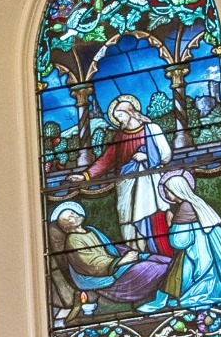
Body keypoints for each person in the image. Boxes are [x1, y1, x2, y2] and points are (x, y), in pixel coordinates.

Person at [74, 95, 173, 254]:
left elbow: (166, 154)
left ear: (130, 112)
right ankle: (138, 255)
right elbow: (107, 160)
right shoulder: (119, 136)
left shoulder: (152, 129)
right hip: (126, 185)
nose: (118, 120)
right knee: (128, 223)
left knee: (152, 217)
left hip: (149, 183)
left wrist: (147, 157)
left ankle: (160, 253)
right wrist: (86, 175)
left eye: (120, 115)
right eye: (116, 117)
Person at [46, 201, 171, 326]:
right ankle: (162, 299)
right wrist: (122, 261)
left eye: (73, 212)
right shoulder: (73, 240)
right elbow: (91, 264)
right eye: (70, 217)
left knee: (167, 261)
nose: (75, 215)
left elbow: (111, 248)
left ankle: (174, 294)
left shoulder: (91, 230)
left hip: (120, 266)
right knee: (159, 268)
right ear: (66, 226)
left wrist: (134, 255)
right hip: (107, 278)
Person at [159, 170, 221, 307]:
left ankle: (190, 294)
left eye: (168, 191)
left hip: (198, 256)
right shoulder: (196, 203)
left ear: (176, 190)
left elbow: (179, 241)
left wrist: (170, 224)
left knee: (181, 272)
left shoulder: (185, 208)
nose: (166, 194)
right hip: (207, 254)